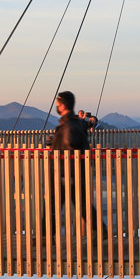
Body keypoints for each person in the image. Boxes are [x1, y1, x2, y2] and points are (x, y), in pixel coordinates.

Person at [49, 91, 93, 235]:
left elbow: (70, 144)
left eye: (58, 104)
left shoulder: (69, 125)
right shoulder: (72, 123)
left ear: (63, 105)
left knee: (53, 206)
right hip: (70, 173)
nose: (57, 107)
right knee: (81, 205)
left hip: (66, 173)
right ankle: (99, 229)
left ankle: (45, 235)